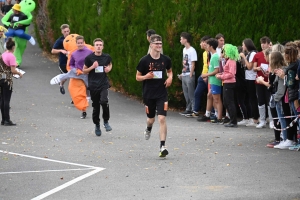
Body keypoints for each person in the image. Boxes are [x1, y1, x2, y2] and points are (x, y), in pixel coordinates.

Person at [136, 34, 172, 157]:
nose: (159, 46)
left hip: (162, 93)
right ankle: (148, 128)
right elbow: (137, 77)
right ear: (151, 45)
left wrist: (170, 78)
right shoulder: (144, 60)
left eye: (160, 44)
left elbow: (170, 71)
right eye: (156, 43)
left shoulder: (165, 59)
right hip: (149, 94)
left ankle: (162, 146)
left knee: (162, 118)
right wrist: (146, 77)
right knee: (151, 119)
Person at [83, 38, 112, 136]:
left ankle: (106, 122)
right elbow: (84, 71)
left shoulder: (107, 57)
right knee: (96, 107)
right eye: (97, 45)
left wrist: (109, 69)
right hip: (93, 85)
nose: (99, 46)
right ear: (94, 47)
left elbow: (110, 64)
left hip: (103, 84)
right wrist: (92, 67)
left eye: (100, 45)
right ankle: (97, 124)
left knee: (104, 101)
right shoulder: (89, 58)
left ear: (102, 46)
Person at [186, 35, 210, 118]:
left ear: (205, 42)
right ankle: (195, 111)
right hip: (202, 75)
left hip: (209, 76)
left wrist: (207, 76)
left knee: (211, 95)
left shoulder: (210, 53)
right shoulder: (204, 53)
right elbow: (205, 65)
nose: (200, 44)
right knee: (197, 93)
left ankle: (213, 113)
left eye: (201, 42)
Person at [69, 35, 93, 119]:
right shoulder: (74, 53)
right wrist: (74, 69)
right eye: (78, 43)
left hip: (88, 74)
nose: (80, 44)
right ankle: (84, 111)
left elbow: (94, 61)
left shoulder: (89, 52)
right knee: (80, 92)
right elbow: (71, 64)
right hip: (78, 75)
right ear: (76, 43)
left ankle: (88, 102)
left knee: (88, 90)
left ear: (84, 42)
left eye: (81, 43)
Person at [0, 38, 23, 126]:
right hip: (7, 80)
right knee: (6, 100)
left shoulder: (3, 54)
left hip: (0, 78)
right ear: (13, 47)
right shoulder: (12, 56)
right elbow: (13, 70)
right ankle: (7, 120)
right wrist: (19, 73)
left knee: (1, 99)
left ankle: (3, 119)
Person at [216, 44, 238, 127]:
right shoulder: (229, 60)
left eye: (224, 51)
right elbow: (227, 72)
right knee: (226, 101)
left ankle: (233, 121)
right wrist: (221, 74)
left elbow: (231, 74)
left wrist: (221, 76)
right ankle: (232, 119)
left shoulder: (231, 61)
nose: (223, 53)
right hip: (226, 82)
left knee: (229, 102)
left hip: (229, 83)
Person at [201, 38, 223, 123]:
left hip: (215, 80)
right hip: (212, 80)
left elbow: (217, 70)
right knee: (210, 96)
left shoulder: (215, 56)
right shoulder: (213, 55)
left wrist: (206, 75)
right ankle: (212, 114)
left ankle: (219, 117)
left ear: (211, 46)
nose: (206, 46)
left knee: (217, 99)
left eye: (207, 45)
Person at [238, 38, 259, 126]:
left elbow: (250, 66)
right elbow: (246, 65)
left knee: (253, 98)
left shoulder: (253, 53)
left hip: (252, 78)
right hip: (248, 77)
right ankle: (252, 117)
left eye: (243, 45)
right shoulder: (249, 54)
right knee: (250, 98)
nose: (242, 46)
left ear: (246, 45)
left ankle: (255, 119)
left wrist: (243, 57)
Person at [252, 36, 272, 128]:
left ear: (269, 44)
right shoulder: (257, 55)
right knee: (260, 100)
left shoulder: (272, 54)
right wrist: (258, 68)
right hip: (259, 80)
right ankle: (262, 120)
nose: (263, 45)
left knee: (269, 100)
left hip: (269, 80)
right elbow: (254, 68)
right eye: (261, 43)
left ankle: (271, 120)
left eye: (264, 43)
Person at [178, 32, 197, 116]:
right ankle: (188, 109)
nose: (180, 40)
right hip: (185, 74)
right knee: (186, 93)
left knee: (191, 93)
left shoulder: (192, 50)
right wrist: (182, 73)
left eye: (181, 39)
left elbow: (193, 63)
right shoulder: (184, 50)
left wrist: (191, 74)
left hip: (189, 74)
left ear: (185, 40)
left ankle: (194, 109)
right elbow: (185, 63)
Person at [51, 24, 70, 94]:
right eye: (65, 31)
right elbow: (53, 51)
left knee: (74, 79)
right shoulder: (60, 40)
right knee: (65, 77)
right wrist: (61, 50)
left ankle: (74, 97)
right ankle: (61, 84)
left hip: (72, 62)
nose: (66, 33)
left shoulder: (73, 39)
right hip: (63, 62)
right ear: (62, 32)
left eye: (68, 31)